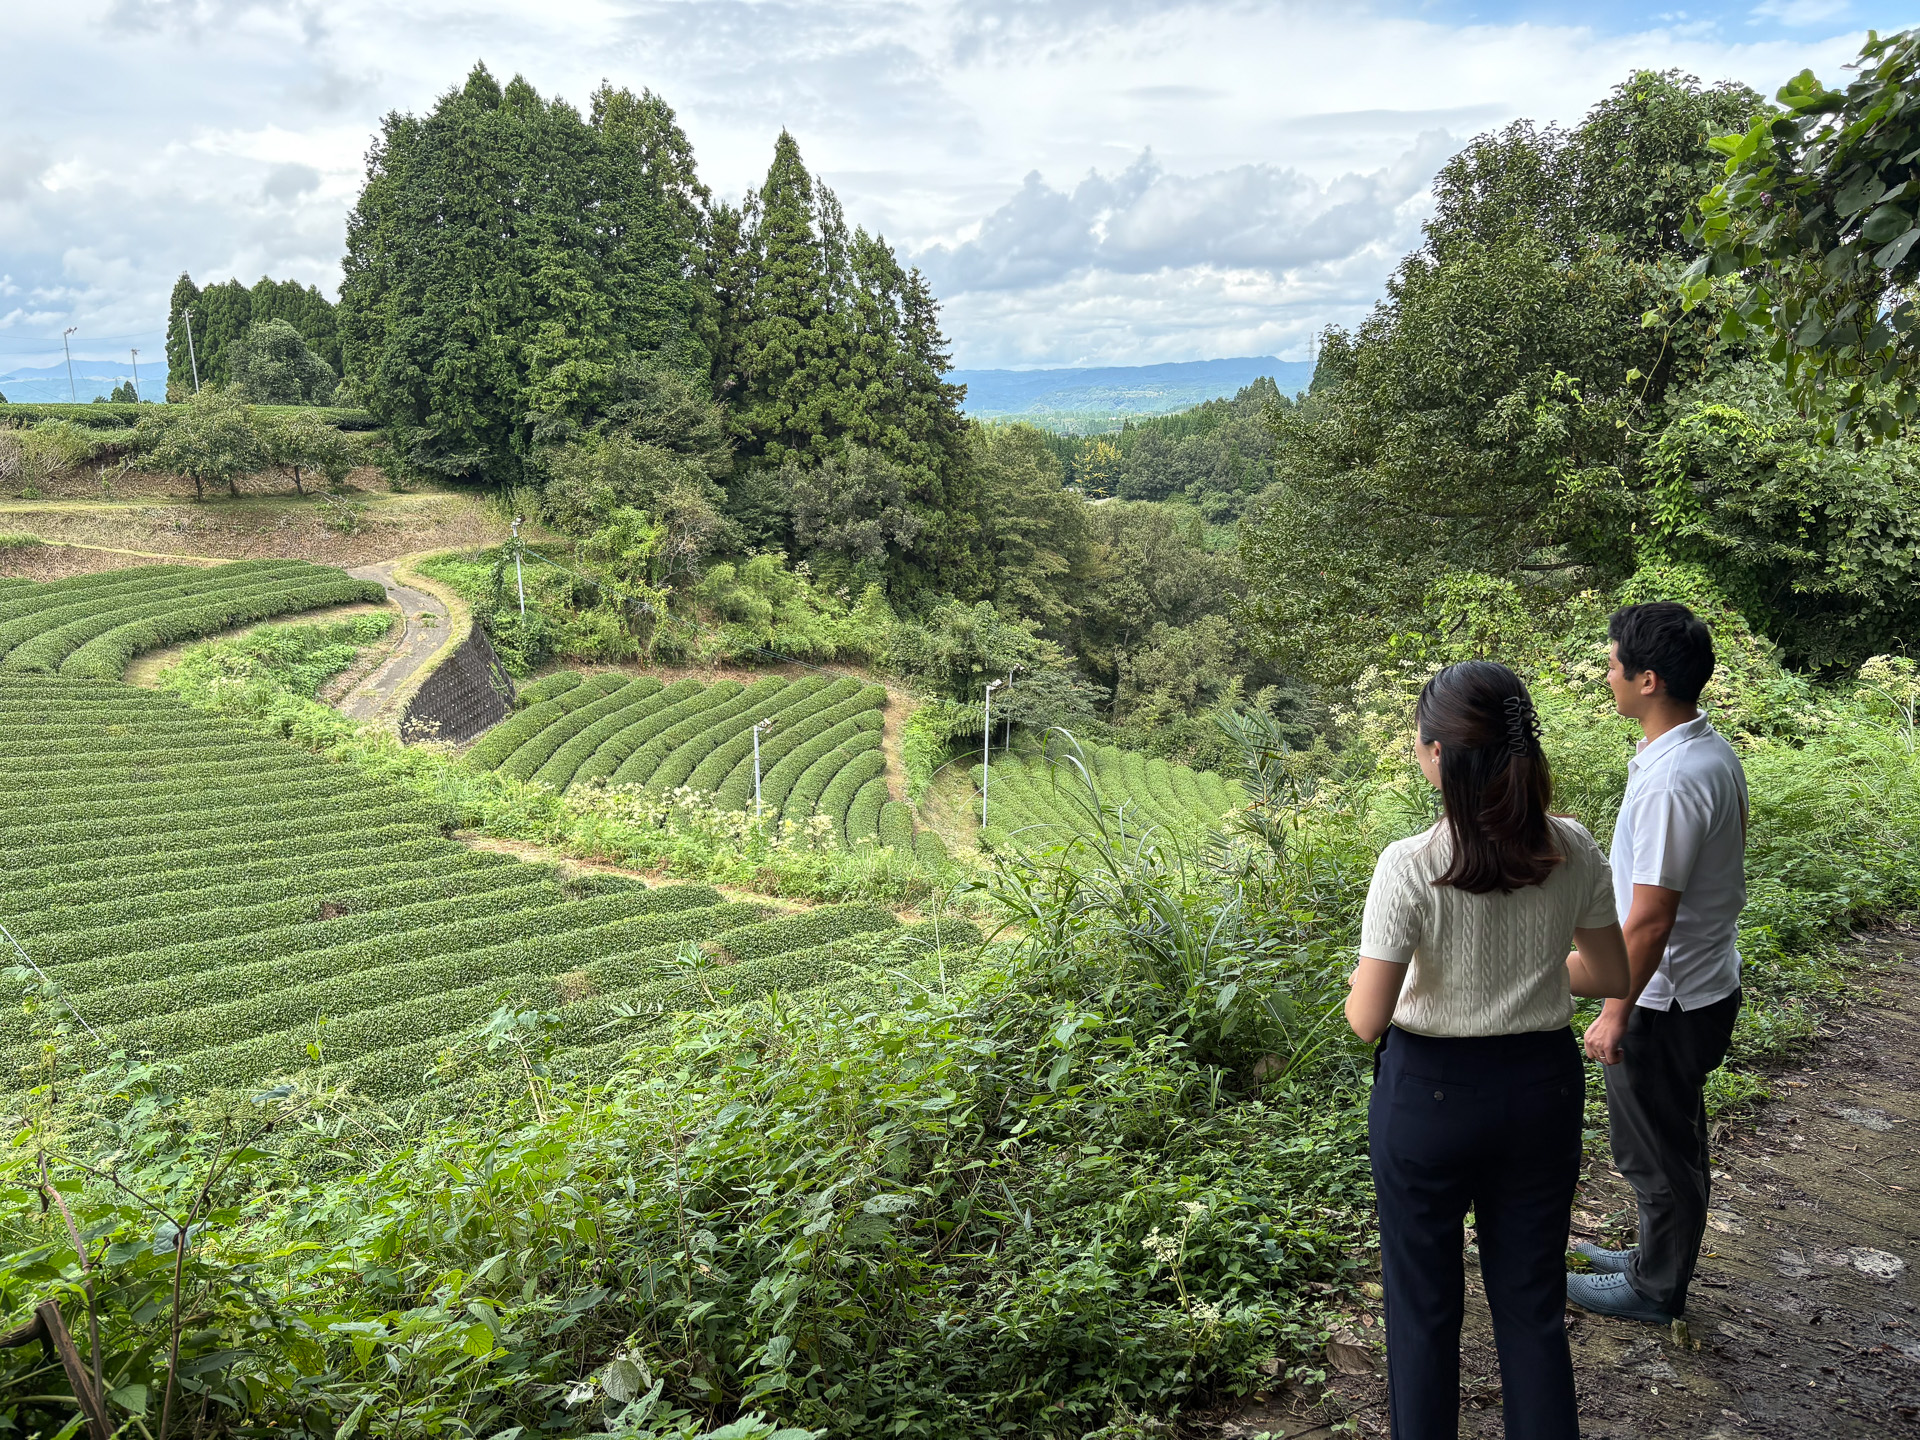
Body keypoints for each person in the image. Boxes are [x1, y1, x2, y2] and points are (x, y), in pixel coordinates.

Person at [1348, 660, 1631, 1440]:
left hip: (1428, 1096)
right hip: (1540, 1088)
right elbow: (1611, 975)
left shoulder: (1410, 864)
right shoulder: (1572, 847)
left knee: (1422, 1309)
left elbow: (1366, 1019)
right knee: (1533, 1306)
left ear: (1439, 754)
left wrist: (1369, 983)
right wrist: (1530, 974)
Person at [1565, 602, 1748, 1326]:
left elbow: (1650, 919)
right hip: (1695, 985)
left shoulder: (1676, 779)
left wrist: (1615, 1009)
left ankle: (1654, 1289)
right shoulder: (1702, 751)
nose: (1606, 676)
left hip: (1663, 999)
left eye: (1613, 665)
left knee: (1656, 1152)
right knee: (1674, 1136)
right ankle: (1653, 1259)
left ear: (1648, 680)